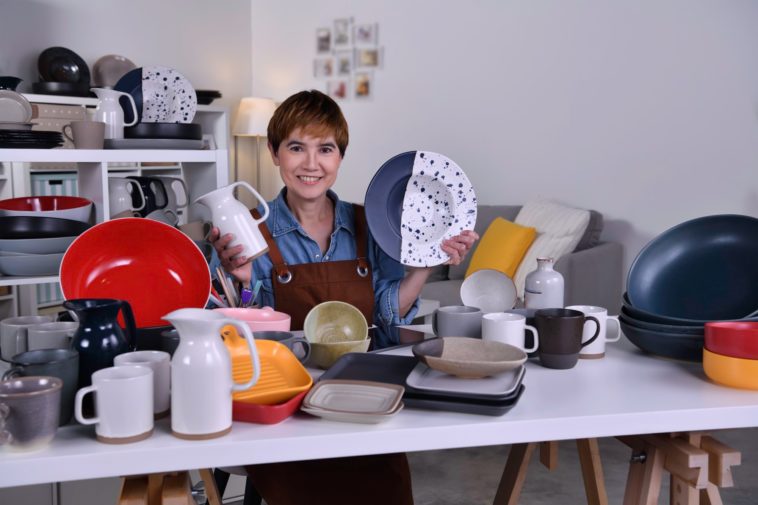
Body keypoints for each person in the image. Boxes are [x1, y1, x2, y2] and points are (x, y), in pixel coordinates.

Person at [209, 89, 478, 505]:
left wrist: (425, 265)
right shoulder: (246, 234)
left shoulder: (370, 224)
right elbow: (233, 339)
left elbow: (389, 312)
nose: (311, 164)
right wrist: (241, 281)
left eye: (326, 149)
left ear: (340, 157)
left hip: (363, 398)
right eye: (296, 147)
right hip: (287, 408)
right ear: (275, 153)